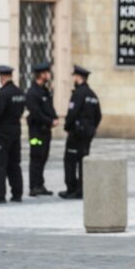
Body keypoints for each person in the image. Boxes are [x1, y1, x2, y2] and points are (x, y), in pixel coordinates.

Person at [59, 65, 102, 200]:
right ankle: (82, 189)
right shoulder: (92, 94)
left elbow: (72, 113)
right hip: (87, 134)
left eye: (75, 77)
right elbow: (98, 115)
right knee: (83, 161)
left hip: (76, 134)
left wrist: (67, 127)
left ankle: (71, 189)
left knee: (70, 161)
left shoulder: (78, 93)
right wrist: (92, 128)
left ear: (78, 77)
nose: (74, 79)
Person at [0, 65, 26, 203]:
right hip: (15, 131)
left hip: (2, 133)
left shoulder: (3, 94)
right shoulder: (19, 92)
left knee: (0, 165)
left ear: (2, 77)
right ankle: (17, 193)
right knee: (15, 164)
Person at [26, 62, 59, 196]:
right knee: (36, 157)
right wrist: (50, 120)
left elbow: (49, 108)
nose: (49, 75)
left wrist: (54, 117)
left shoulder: (45, 90)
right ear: (41, 75)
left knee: (43, 157)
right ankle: (34, 186)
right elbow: (36, 113)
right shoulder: (32, 92)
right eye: (47, 73)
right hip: (35, 133)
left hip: (45, 131)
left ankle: (40, 184)